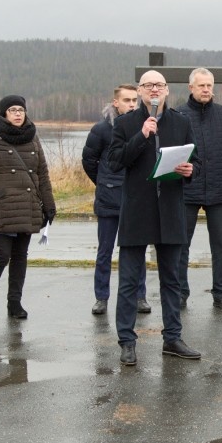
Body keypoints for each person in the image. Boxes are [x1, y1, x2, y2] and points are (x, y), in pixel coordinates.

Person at [107, 70, 201, 366]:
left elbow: (195, 160)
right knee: (129, 281)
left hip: (171, 209)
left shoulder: (181, 122)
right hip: (137, 209)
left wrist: (190, 170)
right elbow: (115, 160)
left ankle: (172, 337)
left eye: (159, 85)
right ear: (140, 91)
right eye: (149, 85)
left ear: (167, 90)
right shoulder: (126, 123)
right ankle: (127, 340)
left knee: (172, 278)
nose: (155, 90)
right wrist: (142, 135)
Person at [0, 95, 56, 321]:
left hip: (27, 208)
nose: (18, 113)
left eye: (21, 109)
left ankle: (14, 303)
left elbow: (42, 175)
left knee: (20, 256)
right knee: (0, 256)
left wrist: (49, 205)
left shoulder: (32, 138)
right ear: (3, 114)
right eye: (12, 110)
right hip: (0, 208)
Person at [175, 68, 222, 311]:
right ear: (191, 88)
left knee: (220, 244)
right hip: (187, 190)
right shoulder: (179, 115)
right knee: (181, 245)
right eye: (201, 86)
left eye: (209, 85)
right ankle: (179, 292)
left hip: (219, 189)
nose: (206, 89)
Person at [82, 84, 150, 316]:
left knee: (136, 251)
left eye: (135, 100)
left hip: (137, 199)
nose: (132, 104)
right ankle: (101, 297)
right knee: (105, 251)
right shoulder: (101, 130)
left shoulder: (145, 128)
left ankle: (140, 296)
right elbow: (89, 161)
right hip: (109, 200)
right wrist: (104, 182)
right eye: (127, 100)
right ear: (115, 103)